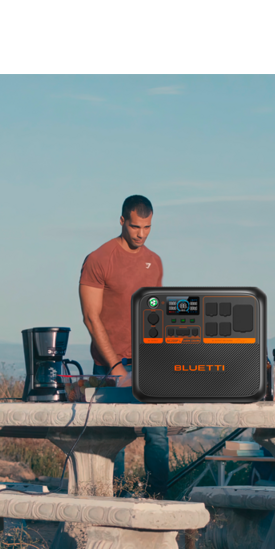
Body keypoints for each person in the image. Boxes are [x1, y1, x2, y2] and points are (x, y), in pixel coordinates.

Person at [78, 194, 169, 494]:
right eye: (135, 227)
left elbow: (155, 315)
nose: (141, 234)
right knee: (114, 438)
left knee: (157, 434)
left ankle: (159, 499)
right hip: (108, 366)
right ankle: (114, 498)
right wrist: (116, 366)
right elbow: (91, 318)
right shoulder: (98, 259)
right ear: (121, 221)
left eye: (147, 227)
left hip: (148, 364)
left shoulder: (154, 262)